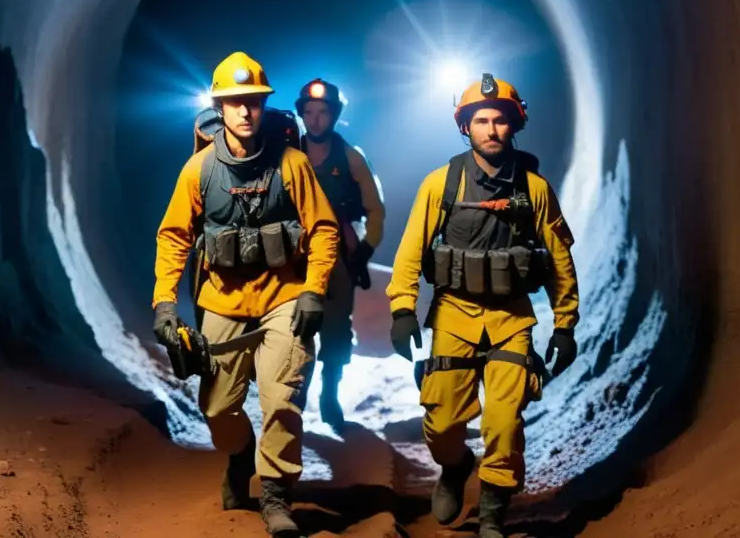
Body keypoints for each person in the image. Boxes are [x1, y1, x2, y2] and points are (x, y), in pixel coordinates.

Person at [152, 51, 340, 538]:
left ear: (263, 106)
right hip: (223, 301)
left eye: (253, 102)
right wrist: (165, 302)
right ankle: (239, 456)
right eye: (234, 103)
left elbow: (323, 229)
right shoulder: (198, 171)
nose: (244, 111)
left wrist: (314, 290)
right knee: (218, 408)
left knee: (282, 399)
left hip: (284, 297)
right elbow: (174, 236)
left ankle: (276, 496)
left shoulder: (293, 164)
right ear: (219, 108)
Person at [385, 73, 579, 538]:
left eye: (500, 121)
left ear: (515, 126)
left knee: (505, 421)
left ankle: (492, 511)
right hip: (454, 313)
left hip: (512, 316)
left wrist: (565, 323)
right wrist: (402, 307)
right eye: (481, 120)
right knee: (443, 421)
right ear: (465, 127)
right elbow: (411, 248)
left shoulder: (534, 190)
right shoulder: (442, 184)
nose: (491, 130)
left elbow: (558, 259)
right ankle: (454, 467)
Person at [295, 78, 386, 428]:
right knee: (295, 329)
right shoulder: (289, 154)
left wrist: (364, 250)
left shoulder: (350, 157)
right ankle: (295, 397)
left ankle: (329, 395)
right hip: (296, 259)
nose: (316, 120)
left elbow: (375, 209)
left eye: (323, 112)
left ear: (335, 115)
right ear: (302, 114)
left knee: (335, 331)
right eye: (310, 112)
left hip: (337, 259)